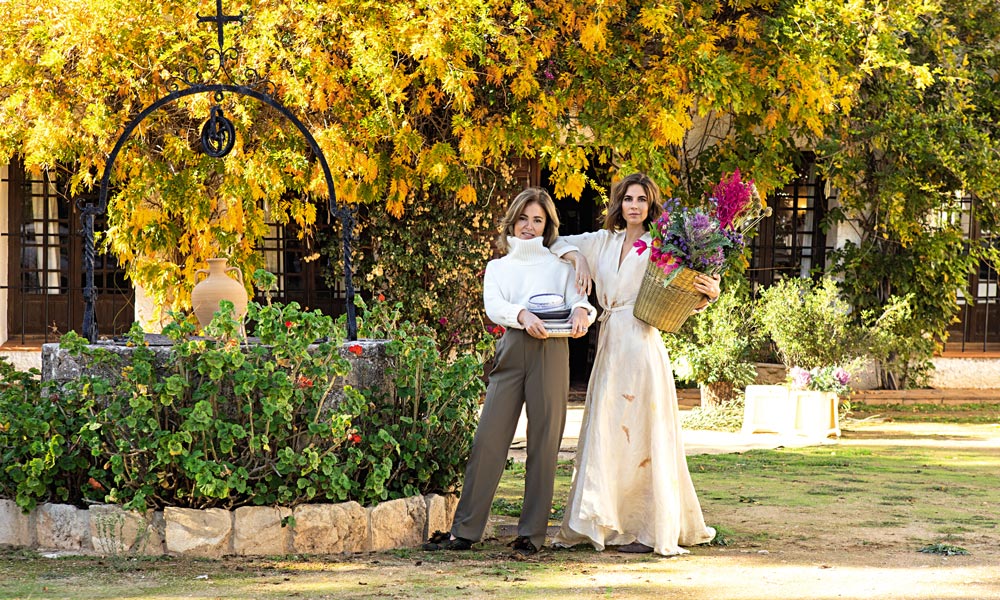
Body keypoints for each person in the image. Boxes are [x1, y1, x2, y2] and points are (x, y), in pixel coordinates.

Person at [549, 172, 719, 555]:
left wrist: (710, 293)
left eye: (641, 199)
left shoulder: (660, 245)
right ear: (619, 203)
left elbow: (686, 288)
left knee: (643, 432)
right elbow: (554, 242)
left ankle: (647, 528)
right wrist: (579, 260)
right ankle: (608, 523)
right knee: (609, 431)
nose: (634, 206)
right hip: (610, 343)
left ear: (650, 205)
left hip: (643, 343)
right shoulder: (601, 242)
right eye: (628, 199)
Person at [424, 187, 597, 556]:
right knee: (488, 439)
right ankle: (466, 530)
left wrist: (583, 311)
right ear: (512, 220)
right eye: (524, 218)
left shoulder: (560, 266)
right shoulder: (498, 268)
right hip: (514, 346)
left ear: (548, 225)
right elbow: (494, 305)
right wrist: (522, 314)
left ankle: (531, 535)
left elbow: (578, 301)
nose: (529, 227)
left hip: (553, 348)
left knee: (544, 443)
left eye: (538, 220)